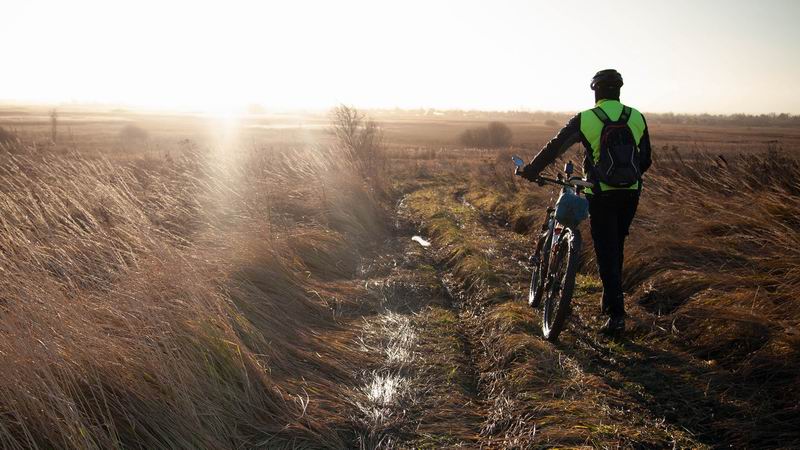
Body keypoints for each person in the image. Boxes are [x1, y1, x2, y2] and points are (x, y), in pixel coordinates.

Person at [519, 69, 652, 334]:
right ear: (619, 90)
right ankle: (611, 304)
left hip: (600, 192)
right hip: (631, 193)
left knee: (606, 252)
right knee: (616, 246)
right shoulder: (636, 117)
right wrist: (626, 178)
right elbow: (645, 159)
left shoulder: (587, 119)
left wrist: (533, 169)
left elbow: (555, 146)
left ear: (596, 91)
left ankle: (616, 317)